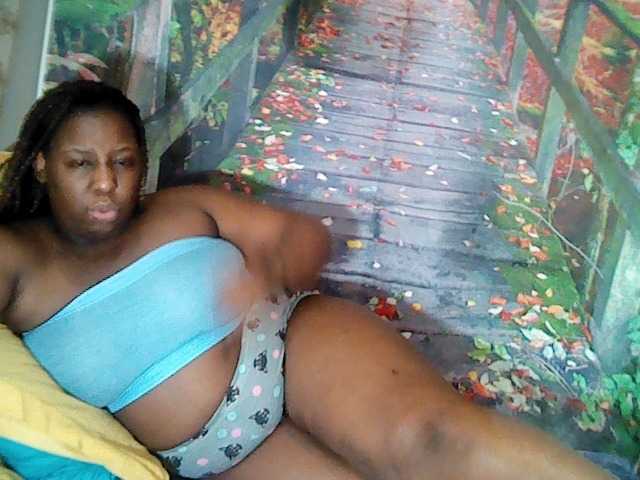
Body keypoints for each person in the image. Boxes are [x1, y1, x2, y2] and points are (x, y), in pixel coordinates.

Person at [0, 80, 614, 480]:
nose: (106, 183)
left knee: (432, 441)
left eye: (124, 162)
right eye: (81, 163)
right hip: (225, 454)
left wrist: (272, 267)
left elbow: (302, 235)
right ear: (41, 163)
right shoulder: (16, 257)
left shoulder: (179, 208)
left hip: (292, 345)